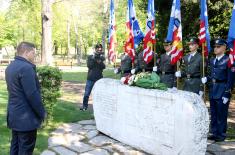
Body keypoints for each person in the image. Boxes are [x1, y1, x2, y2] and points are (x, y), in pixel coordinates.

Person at [5, 42, 46, 155]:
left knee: (15, 147)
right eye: (34, 53)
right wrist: (42, 113)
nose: (35, 56)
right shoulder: (26, 68)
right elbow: (32, 95)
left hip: (14, 115)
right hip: (26, 119)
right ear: (27, 52)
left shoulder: (10, 67)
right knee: (25, 150)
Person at [201, 39, 235, 142]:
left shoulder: (228, 60)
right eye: (215, 46)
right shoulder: (212, 60)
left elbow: (231, 78)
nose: (215, 48)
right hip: (213, 89)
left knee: (221, 114)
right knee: (214, 113)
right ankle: (214, 133)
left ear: (224, 47)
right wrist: (207, 79)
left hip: (222, 89)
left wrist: (227, 93)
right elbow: (211, 73)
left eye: (218, 46)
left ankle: (221, 134)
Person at [80, 43, 105, 111]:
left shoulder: (101, 57)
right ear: (95, 49)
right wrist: (94, 59)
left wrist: (99, 61)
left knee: (99, 94)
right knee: (86, 94)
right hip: (90, 78)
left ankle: (100, 108)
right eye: (98, 49)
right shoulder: (90, 57)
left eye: (100, 49)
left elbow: (103, 67)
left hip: (99, 78)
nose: (99, 51)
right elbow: (89, 66)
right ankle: (84, 106)